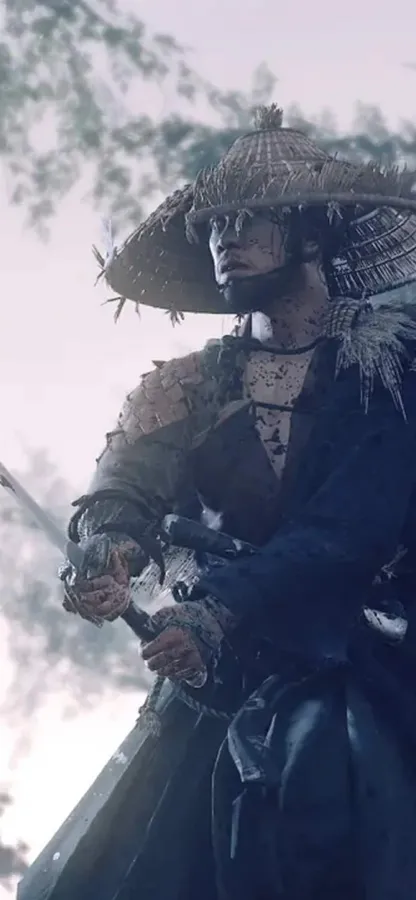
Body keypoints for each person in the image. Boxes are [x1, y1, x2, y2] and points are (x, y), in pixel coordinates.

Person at [18, 105, 416, 900]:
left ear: (307, 234)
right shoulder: (186, 384)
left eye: (247, 222)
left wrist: (218, 610)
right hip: (216, 675)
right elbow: (125, 486)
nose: (223, 241)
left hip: (362, 660)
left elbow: (349, 527)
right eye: (213, 227)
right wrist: (108, 554)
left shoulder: (386, 371)